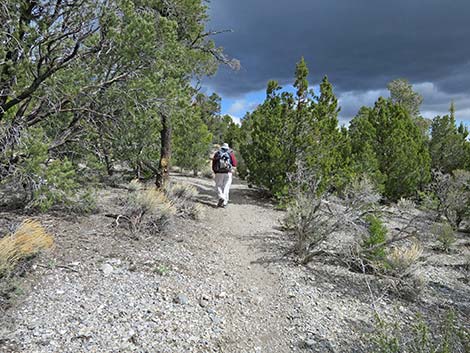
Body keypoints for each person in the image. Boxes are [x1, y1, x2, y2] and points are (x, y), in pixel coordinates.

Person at [212, 143, 237, 207]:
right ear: (227, 148)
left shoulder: (217, 153)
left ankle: (221, 197)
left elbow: (214, 163)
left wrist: (215, 171)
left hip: (219, 172)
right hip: (228, 172)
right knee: (226, 187)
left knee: (218, 186)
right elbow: (234, 163)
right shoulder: (230, 153)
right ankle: (225, 202)